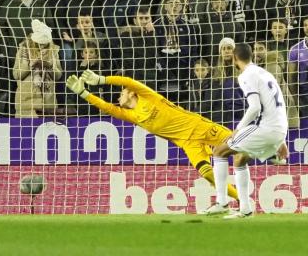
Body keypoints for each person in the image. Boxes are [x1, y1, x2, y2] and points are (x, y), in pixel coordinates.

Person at [65, 70, 240, 203]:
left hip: (198, 127)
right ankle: (239, 200)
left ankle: (267, 151)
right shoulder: (132, 115)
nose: (119, 96)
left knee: (240, 143)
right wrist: (83, 93)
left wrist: (101, 80)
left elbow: (127, 81)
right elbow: (106, 107)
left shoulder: (148, 96)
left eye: (122, 93)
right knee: (207, 173)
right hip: (187, 143)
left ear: (131, 93)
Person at [207, 43, 289, 219]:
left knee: (219, 152)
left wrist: (238, 129)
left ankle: (222, 202)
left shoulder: (246, 75)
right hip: (279, 127)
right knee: (240, 159)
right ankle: (245, 209)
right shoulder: (264, 73)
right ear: (251, 56)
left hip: (265, 128)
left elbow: (254, 108)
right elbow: (275, 105)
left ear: (235, 58)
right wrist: (281, 139)